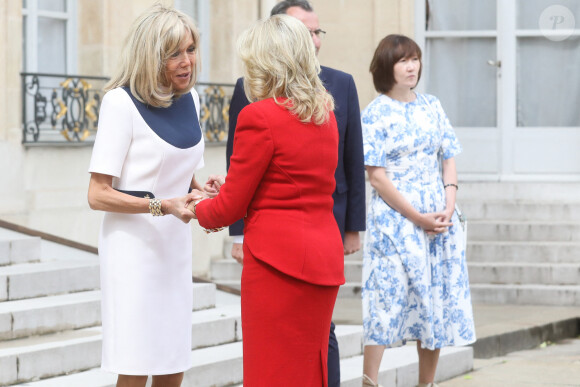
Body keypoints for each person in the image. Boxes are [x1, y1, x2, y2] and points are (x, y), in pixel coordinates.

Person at [190, 14, 344, 386]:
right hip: (321, 258)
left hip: (278, 264)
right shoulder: (325, 114)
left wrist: (193, 206)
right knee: (310, 371)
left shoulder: (258, 116)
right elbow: (293, 181)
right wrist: (231, 185)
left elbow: (229, 209)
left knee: (271, 373)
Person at [224, 1, 366, 385]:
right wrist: (235, 221)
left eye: (317, 32)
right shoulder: (318, 107)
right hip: (314, 249)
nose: (314, 40)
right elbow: (248, 166)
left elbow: (352, 162)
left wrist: (184, 208)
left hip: (286, 252)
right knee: (306, 360)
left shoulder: (327, 91)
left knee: (283, 362)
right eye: (307, 33)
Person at [87, 4, 205, 387]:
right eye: (174, 53)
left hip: (174, 245)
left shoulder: (193, 99)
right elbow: (98, 194)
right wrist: (162, 205)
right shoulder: (119, 104)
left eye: (190, 49)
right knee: (136, 363)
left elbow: (181, 175)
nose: (187, 61)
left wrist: (200, 189)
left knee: (173, 358)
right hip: (132, 252)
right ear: (151, 57)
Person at [360, 34, 476, 387]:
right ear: (386, 67)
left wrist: (448, 207)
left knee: (433, 302)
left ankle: (426, 383)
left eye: (415, 59)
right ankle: (370, 380)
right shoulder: (375, 112)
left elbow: (449, 157)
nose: (412, 67)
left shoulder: (432, 105)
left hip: (439, 219)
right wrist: (418, 217)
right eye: (403, 61)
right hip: (395, 220)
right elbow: (376, 177)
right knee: (386, 297)